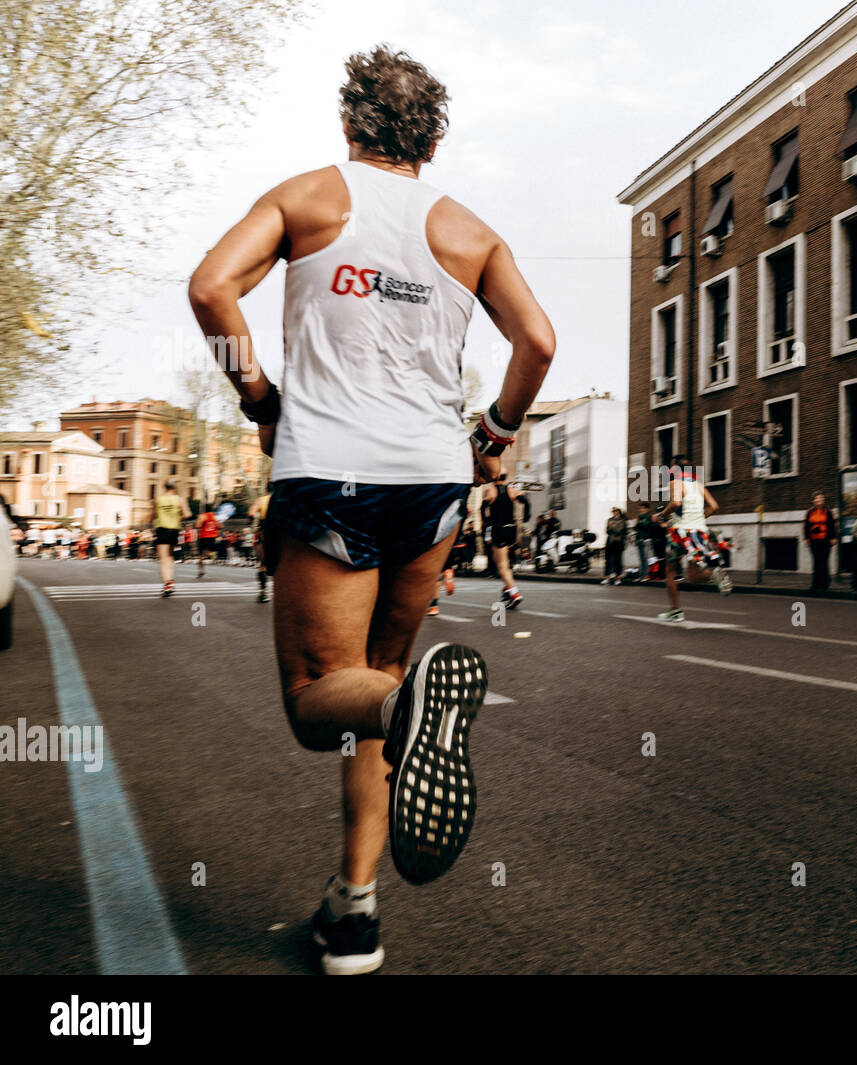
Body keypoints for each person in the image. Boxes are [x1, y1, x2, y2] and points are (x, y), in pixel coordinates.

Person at [188, 46, 555, 975]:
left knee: (321, 701)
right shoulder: (470, 231)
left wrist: (259, 400)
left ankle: (409, 711)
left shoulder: (307, 196)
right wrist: (498, 430)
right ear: (431, 140)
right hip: (434, 482)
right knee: (377, 690)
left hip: (331, 471)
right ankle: (353, 910)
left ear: (349, 123)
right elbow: (538, 340)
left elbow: (210, 287)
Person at [655, 456, 731, 621]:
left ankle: (675, 611)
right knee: (694, 576)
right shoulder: (698, 485)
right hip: (699, 532)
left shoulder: (676, 483)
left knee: (670, 571)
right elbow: (714, 506)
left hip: (680, 534)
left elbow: (675, 503)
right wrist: (699, 519)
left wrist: (661, 516)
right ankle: (713, 575)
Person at [481, 473, 529, 609]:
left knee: (501, 566)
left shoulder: (491, 490)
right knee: (506, 564)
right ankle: (507, 591)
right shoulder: (512, 490)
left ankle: (514, 593)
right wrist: (526, 517)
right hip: (512, 529)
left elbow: (482, 508)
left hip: (499, 528)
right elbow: (526, 501)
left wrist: (486, 523)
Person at [152, 483, 191, 597]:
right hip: (174, 530)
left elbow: (153, 515)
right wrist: (178, 517)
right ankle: (170, 581)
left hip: (162, 529)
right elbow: (188, 514)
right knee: (170, 557)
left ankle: (168, 583)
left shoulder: (158, 500)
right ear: (174, 488)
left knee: (163, 558)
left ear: (164, 487)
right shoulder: (179, 499)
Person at [804, 492, 835, 593]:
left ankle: (825, 585)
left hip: (826, 540)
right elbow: (806, 526)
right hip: (814, 540)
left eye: (822, 498)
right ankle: (815, 585)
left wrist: (833, 538)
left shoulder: (828, 511)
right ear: (813, 501)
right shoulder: (809, 512)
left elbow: (832, 525)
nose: (820, 500)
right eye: (818, 499)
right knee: (816, 563)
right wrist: (807, 538)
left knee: (824, 562)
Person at [248, 491, 272, 602]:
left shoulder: (262, 500)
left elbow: (251, 513)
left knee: (262, 564)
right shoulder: (284, 498)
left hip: (266, 529)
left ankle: (263, 592)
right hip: (283, 531)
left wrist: (252, 521)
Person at [602, 507, 627, 585]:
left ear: (619, 512)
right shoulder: (609, 520)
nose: (614, 513)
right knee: (608, 560)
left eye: (615, 511)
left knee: (617, 560)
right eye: (613, 511)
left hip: (618, 542)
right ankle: (607, 577)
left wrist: (612, 527)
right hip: (610, 542)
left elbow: (619, 531)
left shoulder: (622, 521)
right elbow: (607, 531)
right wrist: (610, 528)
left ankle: (617, 578)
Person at [633, 502, 656, 581]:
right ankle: (641, 576)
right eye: (640, 508)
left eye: (642, 508)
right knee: (641, 558)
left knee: (646, 558)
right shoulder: (639, 517)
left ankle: (646, 576)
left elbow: (649, 528)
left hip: (646, 539)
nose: (640, 510)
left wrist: (639, 524)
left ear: (647, 509)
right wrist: (637, 524)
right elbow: (635, 528)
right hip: (639, 539)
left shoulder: (650, 517)